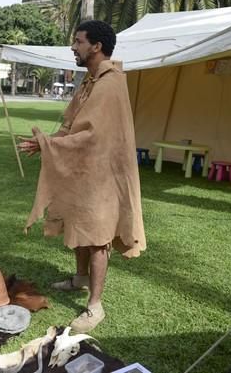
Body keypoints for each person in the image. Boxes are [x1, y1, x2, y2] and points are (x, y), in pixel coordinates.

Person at [18, 20, 146, 333]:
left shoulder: (110, 84)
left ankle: (94, 306)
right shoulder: (89, 82)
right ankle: (79, 279)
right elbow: (70, 124)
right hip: (82, 174)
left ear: (96, 46)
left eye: (78, 41)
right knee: (79, 227)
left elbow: (92, 135)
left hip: (103, 179)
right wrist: (47, 143)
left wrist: (49, 144)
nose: (73, 47)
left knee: (98, 239)